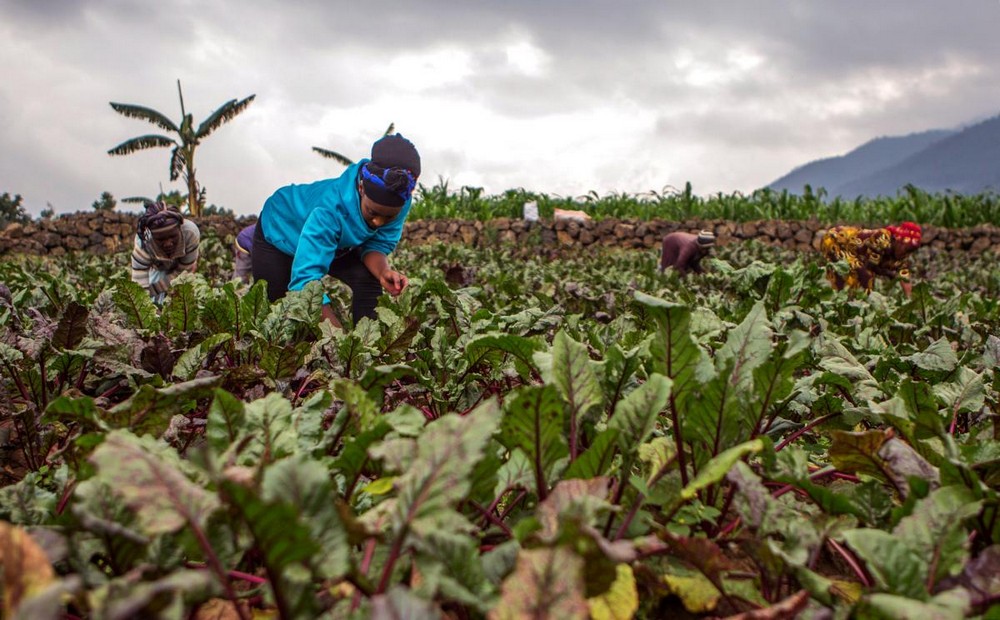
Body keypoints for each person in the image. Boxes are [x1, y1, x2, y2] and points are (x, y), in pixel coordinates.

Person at [251, 134, 420, 328]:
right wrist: (339, 341)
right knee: (279, 314)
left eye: (388, 217)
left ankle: (369, 346)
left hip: (336, 242)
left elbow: (376, 244)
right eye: (372, 212)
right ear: (361, 187)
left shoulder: (400, 199)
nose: (378, 222)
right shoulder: (330, 210)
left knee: (368, 280)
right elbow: (305, 284)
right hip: (281, 230)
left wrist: (383, 271)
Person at [820, 221, 922, 296]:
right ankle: (838, 303)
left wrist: (910, 300)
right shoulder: (883, 238)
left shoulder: (902, 256)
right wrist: (889, 274)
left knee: (858, 281)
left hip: (855, 253)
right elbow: (870, 267)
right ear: (899, 241)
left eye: (910, 252)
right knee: (861, 276)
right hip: (836, 240)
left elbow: (905, 278)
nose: (907, 254)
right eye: (906, 249)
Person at [131, 201, 200, 303]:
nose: (168, 243)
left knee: (185, 296)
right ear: (152, 237)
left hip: (181, 265)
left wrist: (156, 289)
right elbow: (139, 290)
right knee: (149, 302)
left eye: (172, 236)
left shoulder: (190, 233)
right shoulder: (143, 244)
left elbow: (183, 272)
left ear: (180, 229)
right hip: (157, 267)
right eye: (161, 239)